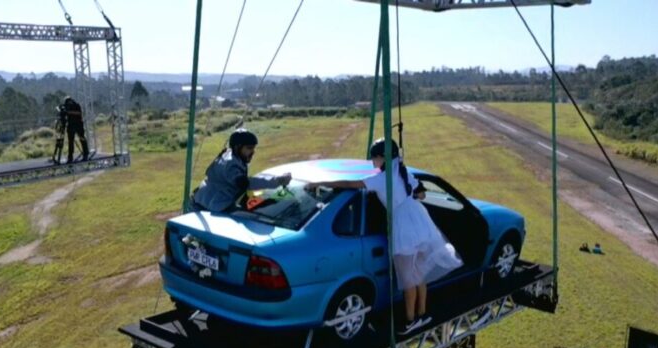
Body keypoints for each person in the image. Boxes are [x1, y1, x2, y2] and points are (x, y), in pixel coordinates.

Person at [305, 138, 462, 334]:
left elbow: (350, 184)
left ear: (383, 158)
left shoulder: (382, 179)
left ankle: (410, 320)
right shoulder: (404, 173)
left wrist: (320, 182)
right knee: (419, 274)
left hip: (403, 226)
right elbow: (421, 195)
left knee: (407, 279)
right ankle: (422, 314)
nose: (372, 161)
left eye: (374, 157)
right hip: (420, 221)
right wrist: (408, 196)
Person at [189, 129, 291, 212]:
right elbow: (246, 183)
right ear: (237, 147)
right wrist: (278, 181)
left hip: (202, 200)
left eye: (253, 148)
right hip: (208, 208)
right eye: (249, 148)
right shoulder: (231, 166)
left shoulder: (230, 155)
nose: (253, 152)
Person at [63, 96, 89, 163]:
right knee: (70, 142)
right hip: (71, 125)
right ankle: (70, 157)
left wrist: (69, 112)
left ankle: (86, 153)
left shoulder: (76, 105)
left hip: (78, 124)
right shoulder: (66, 106)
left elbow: (79, 113)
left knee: (82, 139)